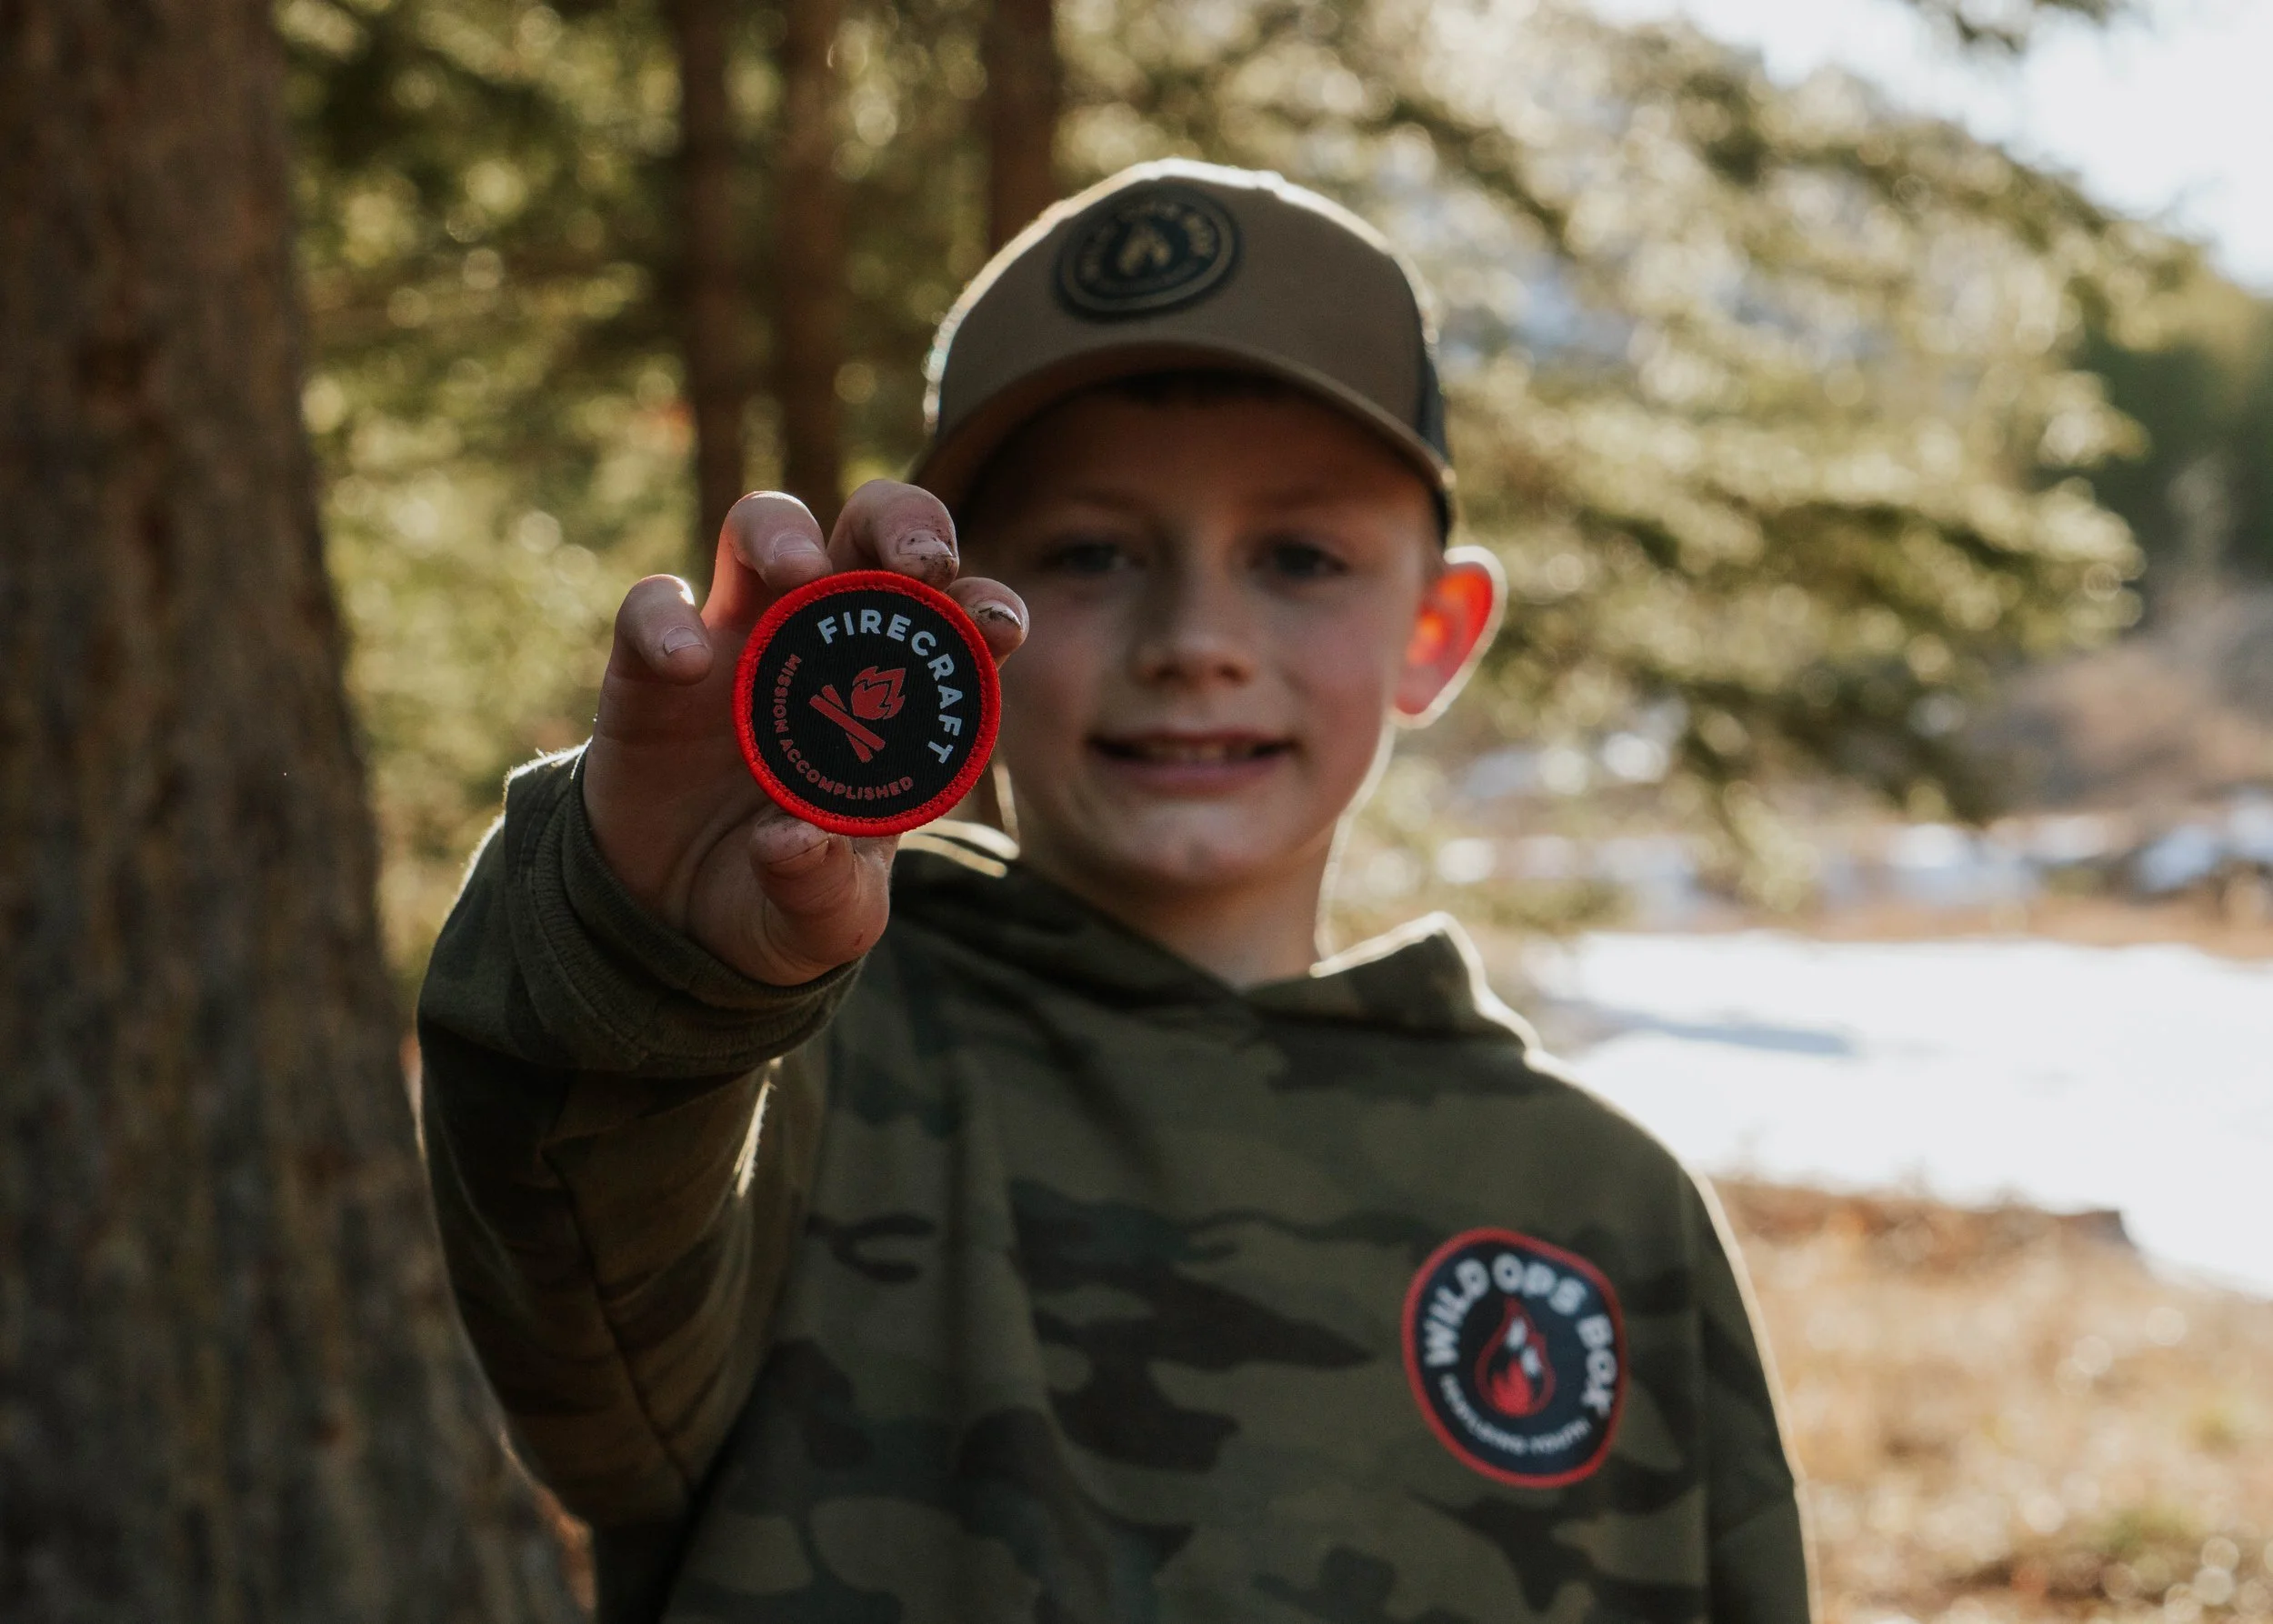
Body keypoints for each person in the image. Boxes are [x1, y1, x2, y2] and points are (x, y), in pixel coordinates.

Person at [417, 160, 1812, 1624]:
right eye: (1091, 554)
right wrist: (642, 948)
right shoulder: (788, 1076)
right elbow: (574, 1321)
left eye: (1298, 556)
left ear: (1436, 630)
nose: (1195, 637)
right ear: (952, 614)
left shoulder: (1603, 1211)